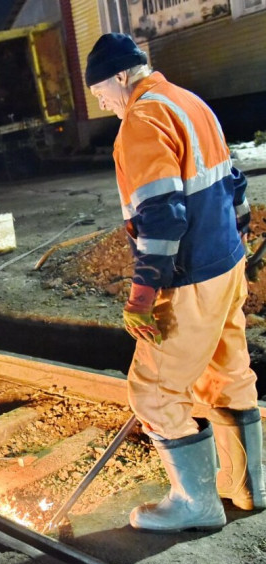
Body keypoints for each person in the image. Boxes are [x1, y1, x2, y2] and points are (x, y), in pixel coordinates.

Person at [85, 32, 264, 532]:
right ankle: (247, 487)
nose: (100, 103)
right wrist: (236, 239)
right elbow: (233, 182)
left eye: (100, 91)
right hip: (225, 265)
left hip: (190, 278)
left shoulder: (142, 120)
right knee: (227, 374)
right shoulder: (189, 102)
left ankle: (196, 504)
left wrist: (142, 298)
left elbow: (161, 218)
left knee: (155, 392)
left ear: (122, 75)